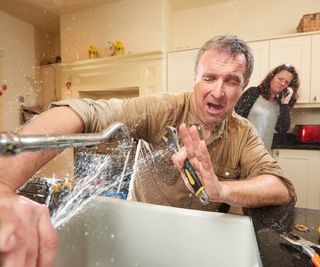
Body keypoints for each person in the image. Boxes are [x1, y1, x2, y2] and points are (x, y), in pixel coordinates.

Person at [0, 35, 296, 267]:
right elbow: (84, 111)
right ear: (194, 78)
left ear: (243, 87)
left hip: (200, 239)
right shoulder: (162, 109)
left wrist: (222, 190)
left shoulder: (242, 132)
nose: (218, 92)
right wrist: (3, 185)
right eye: (209, 78)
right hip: (140, 233)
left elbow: (280, 186)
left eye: (231, 81)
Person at [235, 64, 300, 150]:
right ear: (272, 77)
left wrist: (285, 103)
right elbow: (235, 119)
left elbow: (282, 130)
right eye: (280, 79)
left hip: (264, 153)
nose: (283, 83)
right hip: (242, 149)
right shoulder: (253, 93)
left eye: (287, 82)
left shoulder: (281, 105)